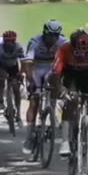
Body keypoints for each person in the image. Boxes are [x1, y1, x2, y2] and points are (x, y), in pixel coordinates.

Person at [24, 21, 67, 152]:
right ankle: (29, 135)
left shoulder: (63, 42)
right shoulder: (35, 41)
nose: (53, 38)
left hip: (52, 66)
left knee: (54, 84)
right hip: (37, 66)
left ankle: (52, 110)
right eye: (50, 35)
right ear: (44, 33)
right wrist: (30, 80)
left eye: (56, 35)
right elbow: (28, 63)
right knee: (34, 100)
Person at [0, 30, 25, 116]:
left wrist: (21, 73)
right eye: (7, 41)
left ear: (15, 41)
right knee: (1, 79)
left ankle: (18, 112)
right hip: (2, 65)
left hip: (13, 66)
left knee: (16, 89)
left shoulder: (19, 47)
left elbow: (23, 62)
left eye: (12, 41)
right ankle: (1, 99)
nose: (9, 44)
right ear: (4, 41)